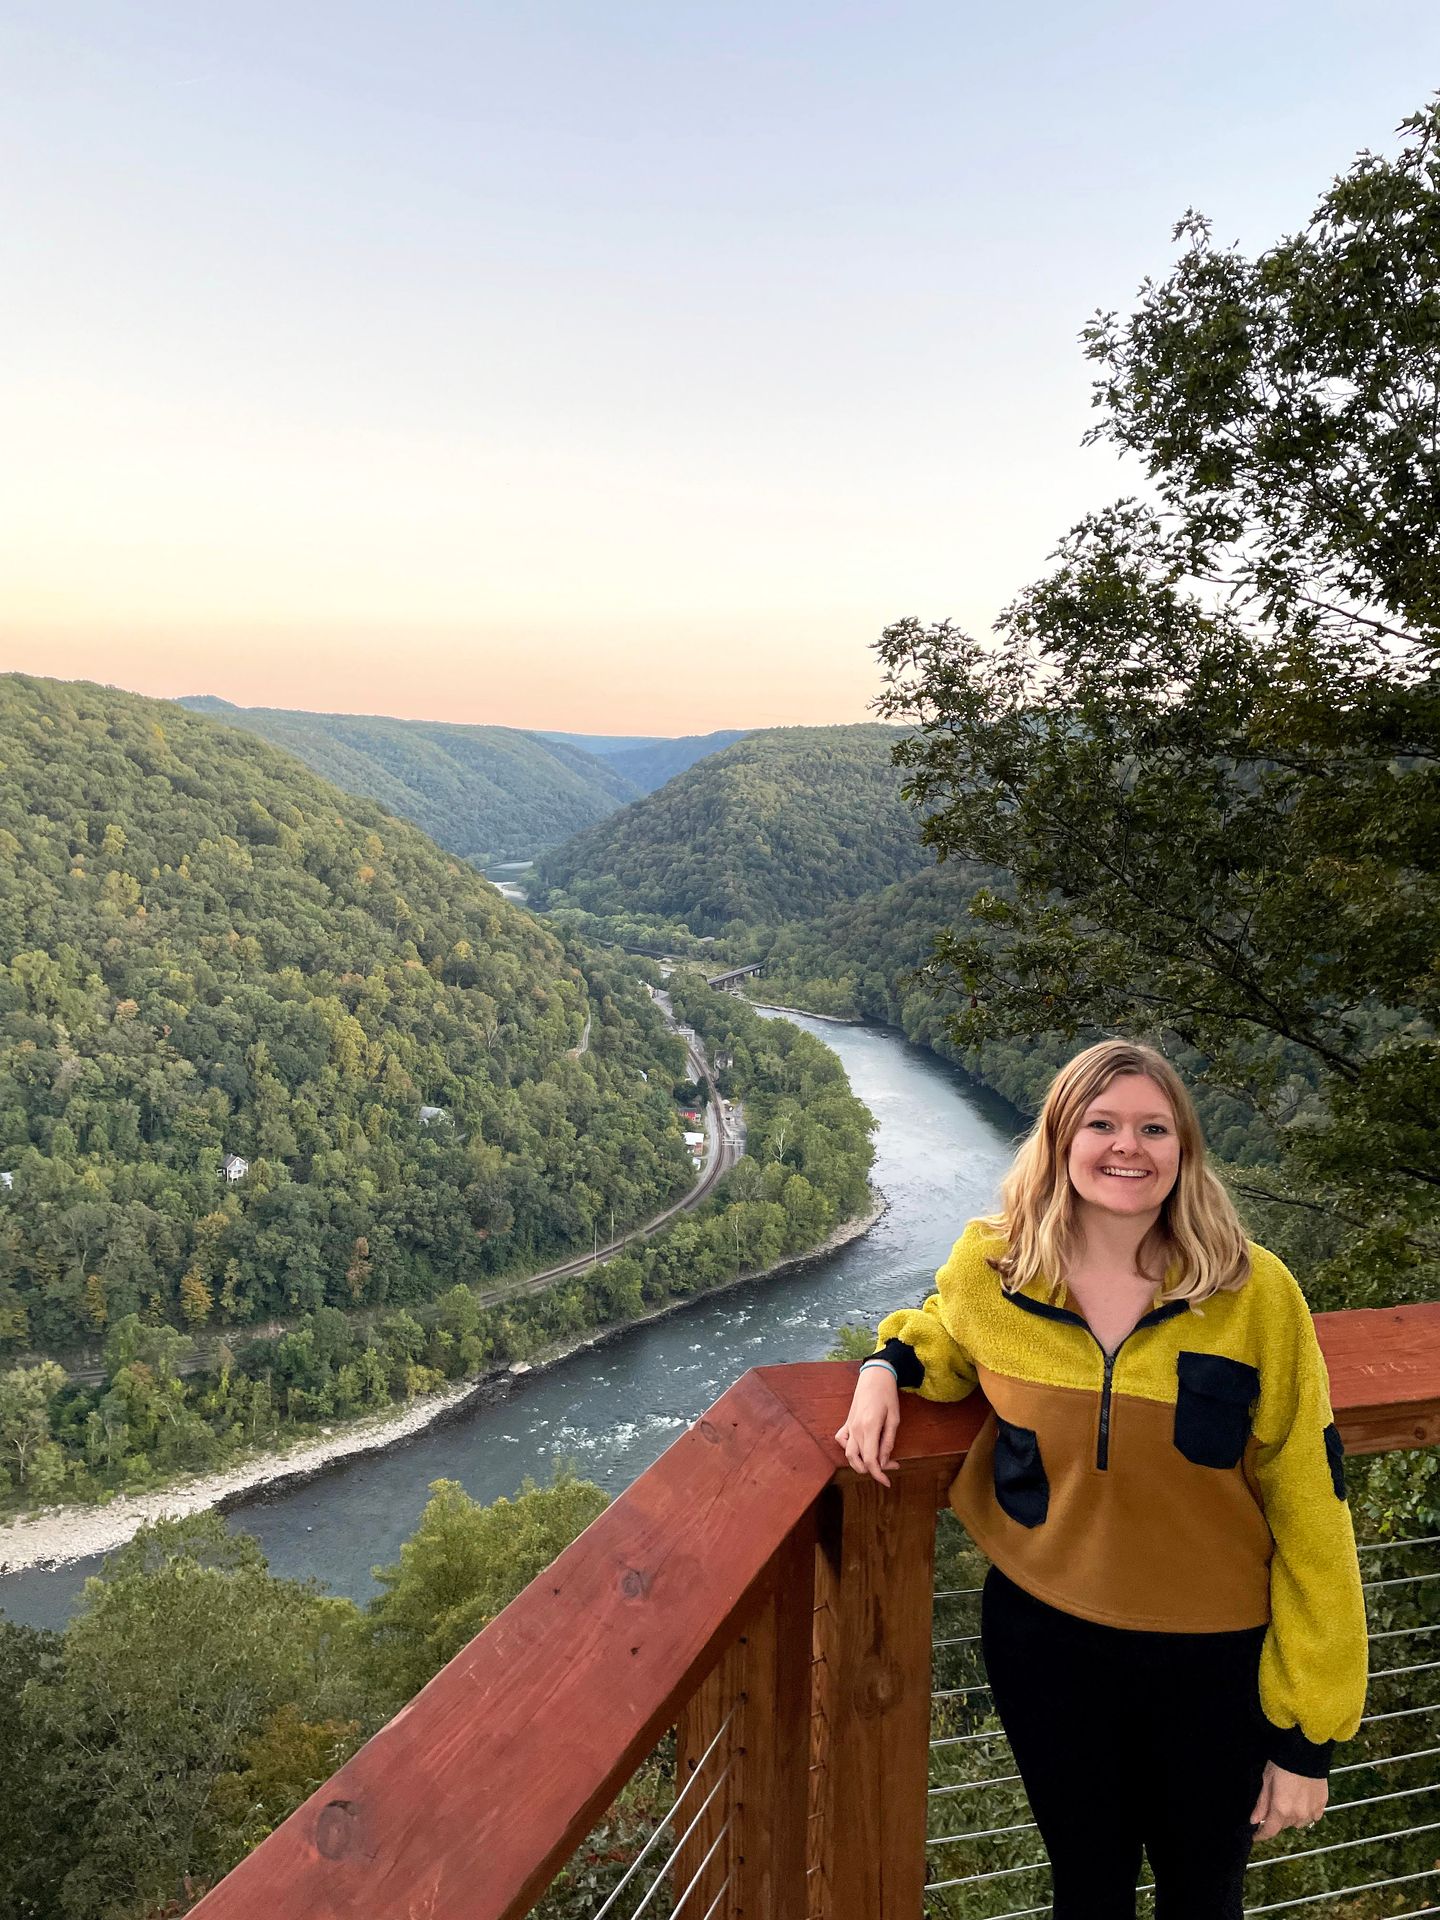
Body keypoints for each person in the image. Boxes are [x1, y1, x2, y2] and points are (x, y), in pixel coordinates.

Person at [835, 1038, 1368, 1920]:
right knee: (1087, 1888)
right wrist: (884, 1366)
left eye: (1154, 1127)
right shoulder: (998, 1267)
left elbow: (1313, 1507)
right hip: (1045, 1638)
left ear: (1184, 1150)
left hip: (1214, 1658)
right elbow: (948, 1329)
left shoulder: (1254, 1294)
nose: (1129, 1147)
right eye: (1103, 1124)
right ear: (1059, 1139)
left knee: (1205, 1896)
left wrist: (1310, 1736)